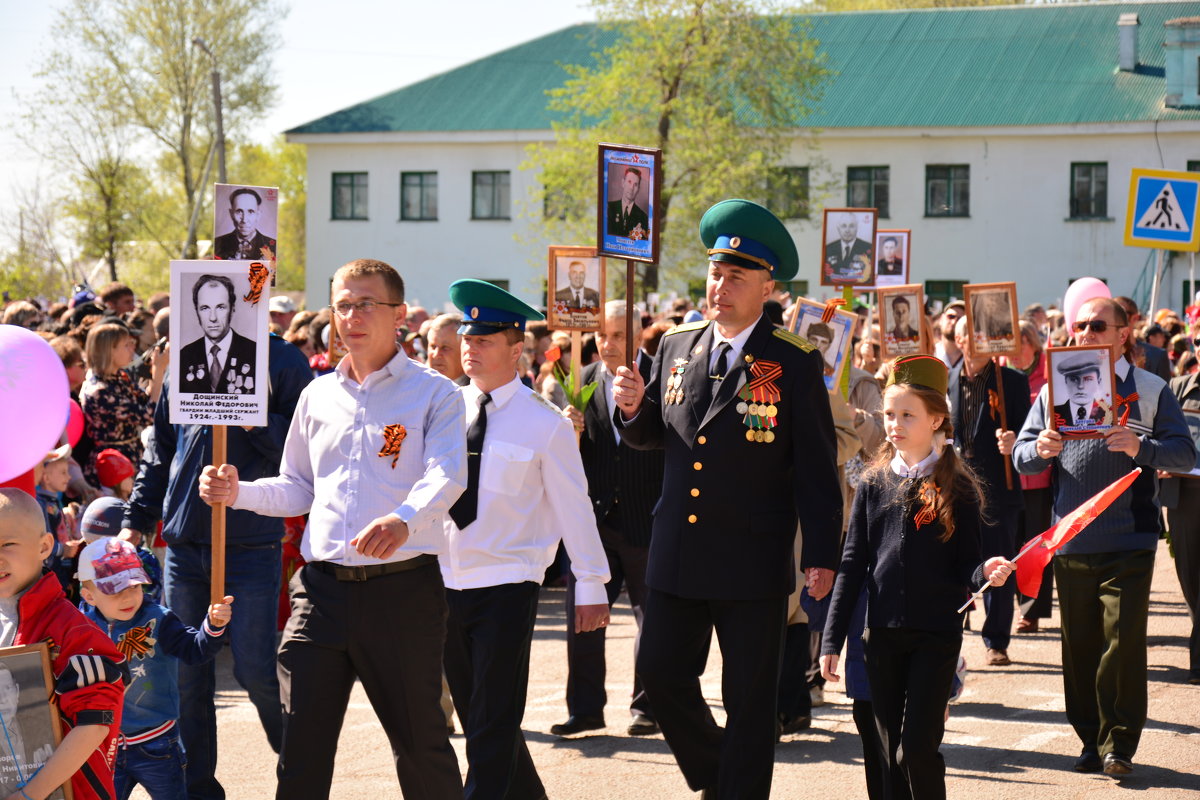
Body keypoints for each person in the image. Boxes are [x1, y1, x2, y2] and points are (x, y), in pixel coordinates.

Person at [197, 258, 465, 799]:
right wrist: (238, 492)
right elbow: (297, 487)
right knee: (301, 755)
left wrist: (404, 520)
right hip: (319, 596)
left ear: (399, 315)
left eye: (366, 303)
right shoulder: (317, 395)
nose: (352, 316)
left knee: (422, 748)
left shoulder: (434, 394)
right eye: (342, 305)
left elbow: (448, 475)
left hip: (403, 592)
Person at [612, 199, 842, 798]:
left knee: (749, 702)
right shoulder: (676, 347)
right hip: (679, 551)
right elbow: (650, 438)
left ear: (767, 285)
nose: (721, 286)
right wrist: (631, 407)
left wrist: (821, 554)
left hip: (751, 557)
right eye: (716, 272)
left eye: (737, 276)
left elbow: (817, 467)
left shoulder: (793, 360)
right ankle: (721, 779)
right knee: (660, 679)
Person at [123, 330, 311, 799]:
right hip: (185, 544)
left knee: (255, 670)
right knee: (187, 674)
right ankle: (199, 789)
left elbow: (301, 448)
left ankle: (302, 776)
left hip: (249, 544)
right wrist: (135, 521)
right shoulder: (186, 361)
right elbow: (161, 451)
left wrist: (247, 416)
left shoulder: (284, 361)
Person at [1013, 296, 1196, 776]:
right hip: (1072, 538)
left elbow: (1182, 453)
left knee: (1122, 643)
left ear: (1123, 333)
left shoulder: (1153, 389)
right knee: (1079, 649)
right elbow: (1022, 457)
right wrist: (1041, 447)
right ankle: (1090, 739)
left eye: (1098, 325)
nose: (1087, 333)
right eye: (1080, 326)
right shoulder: (1052, 388)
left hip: (1130, 537)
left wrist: (1142, 446)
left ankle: (1119, 743)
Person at [441, 279, 609, 799]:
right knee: (479, 718)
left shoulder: (545, 424)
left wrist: (592, 581)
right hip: (445, 580)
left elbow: (573, 505)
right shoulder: (442, 412)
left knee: (491, 724)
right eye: (467, 338)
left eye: (484, 340)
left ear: (517, 349)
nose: (470, 348)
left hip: (507, 584)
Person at [821, 354, 1015, 800]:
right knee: (887, 752)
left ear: (936, 420)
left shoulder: (958, 486)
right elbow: (852, 565)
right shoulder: (872, 484)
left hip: (936, 634)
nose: (895, 424)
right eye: (889, 414)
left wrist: (986, 570)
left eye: (908, 414)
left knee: (916, 750)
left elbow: (969, 562)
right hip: (882, 634)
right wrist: (832, 641)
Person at [551, 300, 665, 738]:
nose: (608, 343)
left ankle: (647, 707)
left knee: (650, 620)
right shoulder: (579, 380)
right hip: (595, 521)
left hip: (648, 518)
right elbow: (566, 456)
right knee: (583, 615)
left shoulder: (661, 375)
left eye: (618, 334)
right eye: (602, 334)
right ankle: (585, 709)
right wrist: (569, 433)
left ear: (637, 334)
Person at [79, 535, 232, 800]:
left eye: (135, 586)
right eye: (115, 589)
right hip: (104, 744)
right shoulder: (79, 626)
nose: (128, 596)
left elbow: (195, 650)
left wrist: (213, 626)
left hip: (158, 742)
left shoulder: (159, 619)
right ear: (89, 596)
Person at [0, 489, 127, 800]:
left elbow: (95, 724)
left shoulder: (72, 631)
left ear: (45, 546)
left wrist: (30, 795)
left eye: (7, 544)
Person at [949, 315, 1031, 665]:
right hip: (956, 488)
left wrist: (1015, 440)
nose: (974, 339)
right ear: (958, 340)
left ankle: (997, 640)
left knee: (998, 564)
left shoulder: (1010, 381)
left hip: (998, 486)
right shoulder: (947, 378)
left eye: (979, 332)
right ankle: (951, 634)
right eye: (967, 333)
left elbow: (1029, 428)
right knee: (956, 563)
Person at [80, 321, 165, 488]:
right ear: (109, 350)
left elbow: (144, 401)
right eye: (126, 345)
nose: (132, 349)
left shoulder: (119, 377)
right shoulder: (99, 391)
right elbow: (149, 415)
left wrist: (156, 373)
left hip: (131, 458)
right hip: (113, 467)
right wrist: (159, 371)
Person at [1160, 368, 1200, 684]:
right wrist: (1161, 458)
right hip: (1184, 497)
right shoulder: (1176, 387)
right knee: (1190, 580)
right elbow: (1159, 433)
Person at [178, 275, 258, 395]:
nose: (213, 318)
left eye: (220, 307)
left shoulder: (254, 352)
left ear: (232, 308)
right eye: (205, 308)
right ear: (197, 311)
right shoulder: (184, 356)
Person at [1051, 350, 1109, 430]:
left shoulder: (1108, 415)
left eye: (1088, 379)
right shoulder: (1052, 413)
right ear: (1066, 381)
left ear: (1098, 381)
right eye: (1074, 379)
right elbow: (1030, 437)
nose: (1080, 386)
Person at [213, 188, 276, 261]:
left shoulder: (274, 246)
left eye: (250, 211)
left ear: (258, 215)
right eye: (239, 211)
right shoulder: (217, 244)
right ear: (231, 214)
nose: (245, 220)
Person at [823, 212, 872, 282]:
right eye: (843, 226)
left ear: (857, 228)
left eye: (851, 226)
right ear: (838, 228)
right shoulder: (828, 249)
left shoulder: (868, 248)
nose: (847, 230)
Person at [606, 166, 649, 238]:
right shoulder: (608, 208)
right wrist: (631, 236)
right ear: (623, 183)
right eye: (629, 182)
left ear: (638, 189)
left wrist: (635, 237)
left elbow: (643, 244)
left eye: (635, 184)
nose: (631, 188)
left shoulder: (644, 218)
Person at [427, 313, 468, 385]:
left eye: (445, 348)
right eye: (433, 347)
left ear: (464, 351)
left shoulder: (477, 393)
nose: (436, 355)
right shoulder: (418, 387)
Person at [934, 301, 965, 369]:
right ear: (941, 319)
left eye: (960, 319)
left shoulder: (971, 358)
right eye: (951, 316)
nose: (954, 322)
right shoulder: (930, 353)